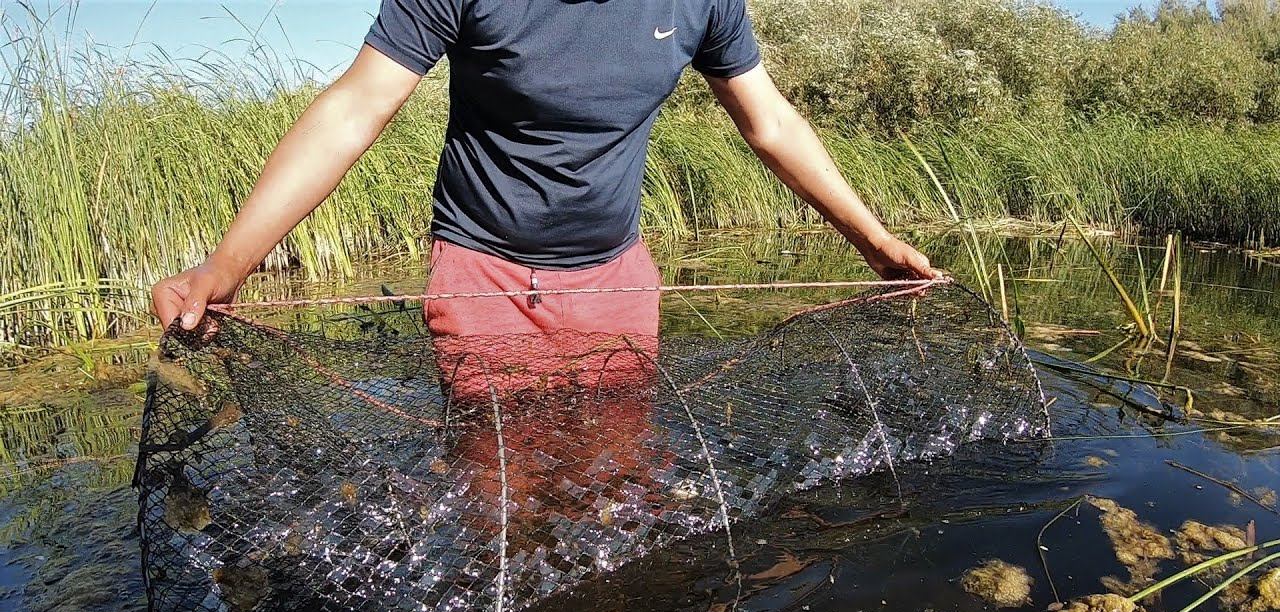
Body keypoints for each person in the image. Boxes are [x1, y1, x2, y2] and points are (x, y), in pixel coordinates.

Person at [151, 0, 940, 375]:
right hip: (483, 273)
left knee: (620, 486)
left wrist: (875, 242)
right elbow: (355, 109)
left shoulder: (703, 1)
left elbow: (771, 124)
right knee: (504, 496)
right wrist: (226, 267)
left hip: (617, 276)